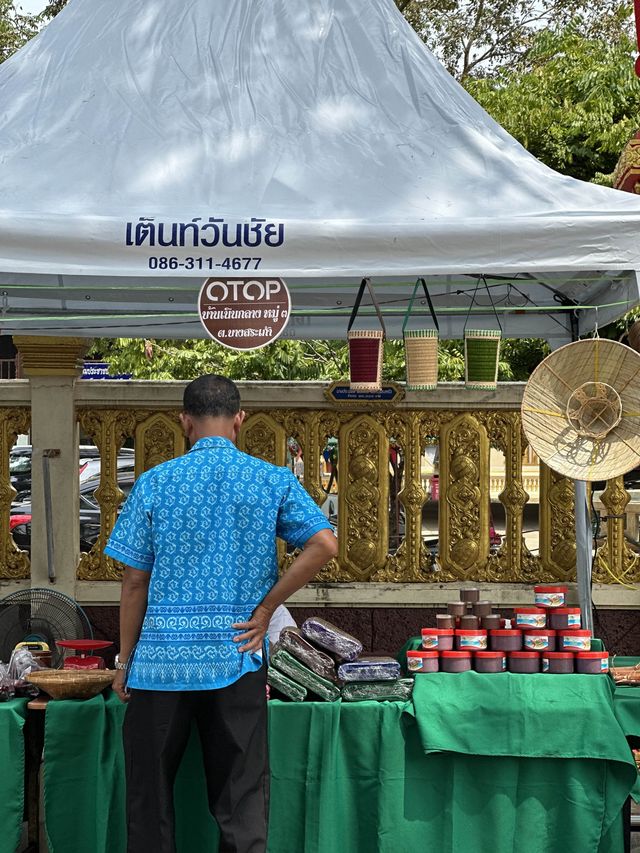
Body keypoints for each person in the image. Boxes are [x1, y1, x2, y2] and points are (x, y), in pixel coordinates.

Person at [105, 375, 337, 853]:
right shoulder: (271, 478)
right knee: (241, 801)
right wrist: (267, 608)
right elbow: (323, 544)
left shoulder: (154, 483)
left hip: (160, 666)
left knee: (149, 801)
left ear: (184, 421)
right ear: (239, 419)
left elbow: (133, 582)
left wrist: (125, 662)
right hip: (237, 655)